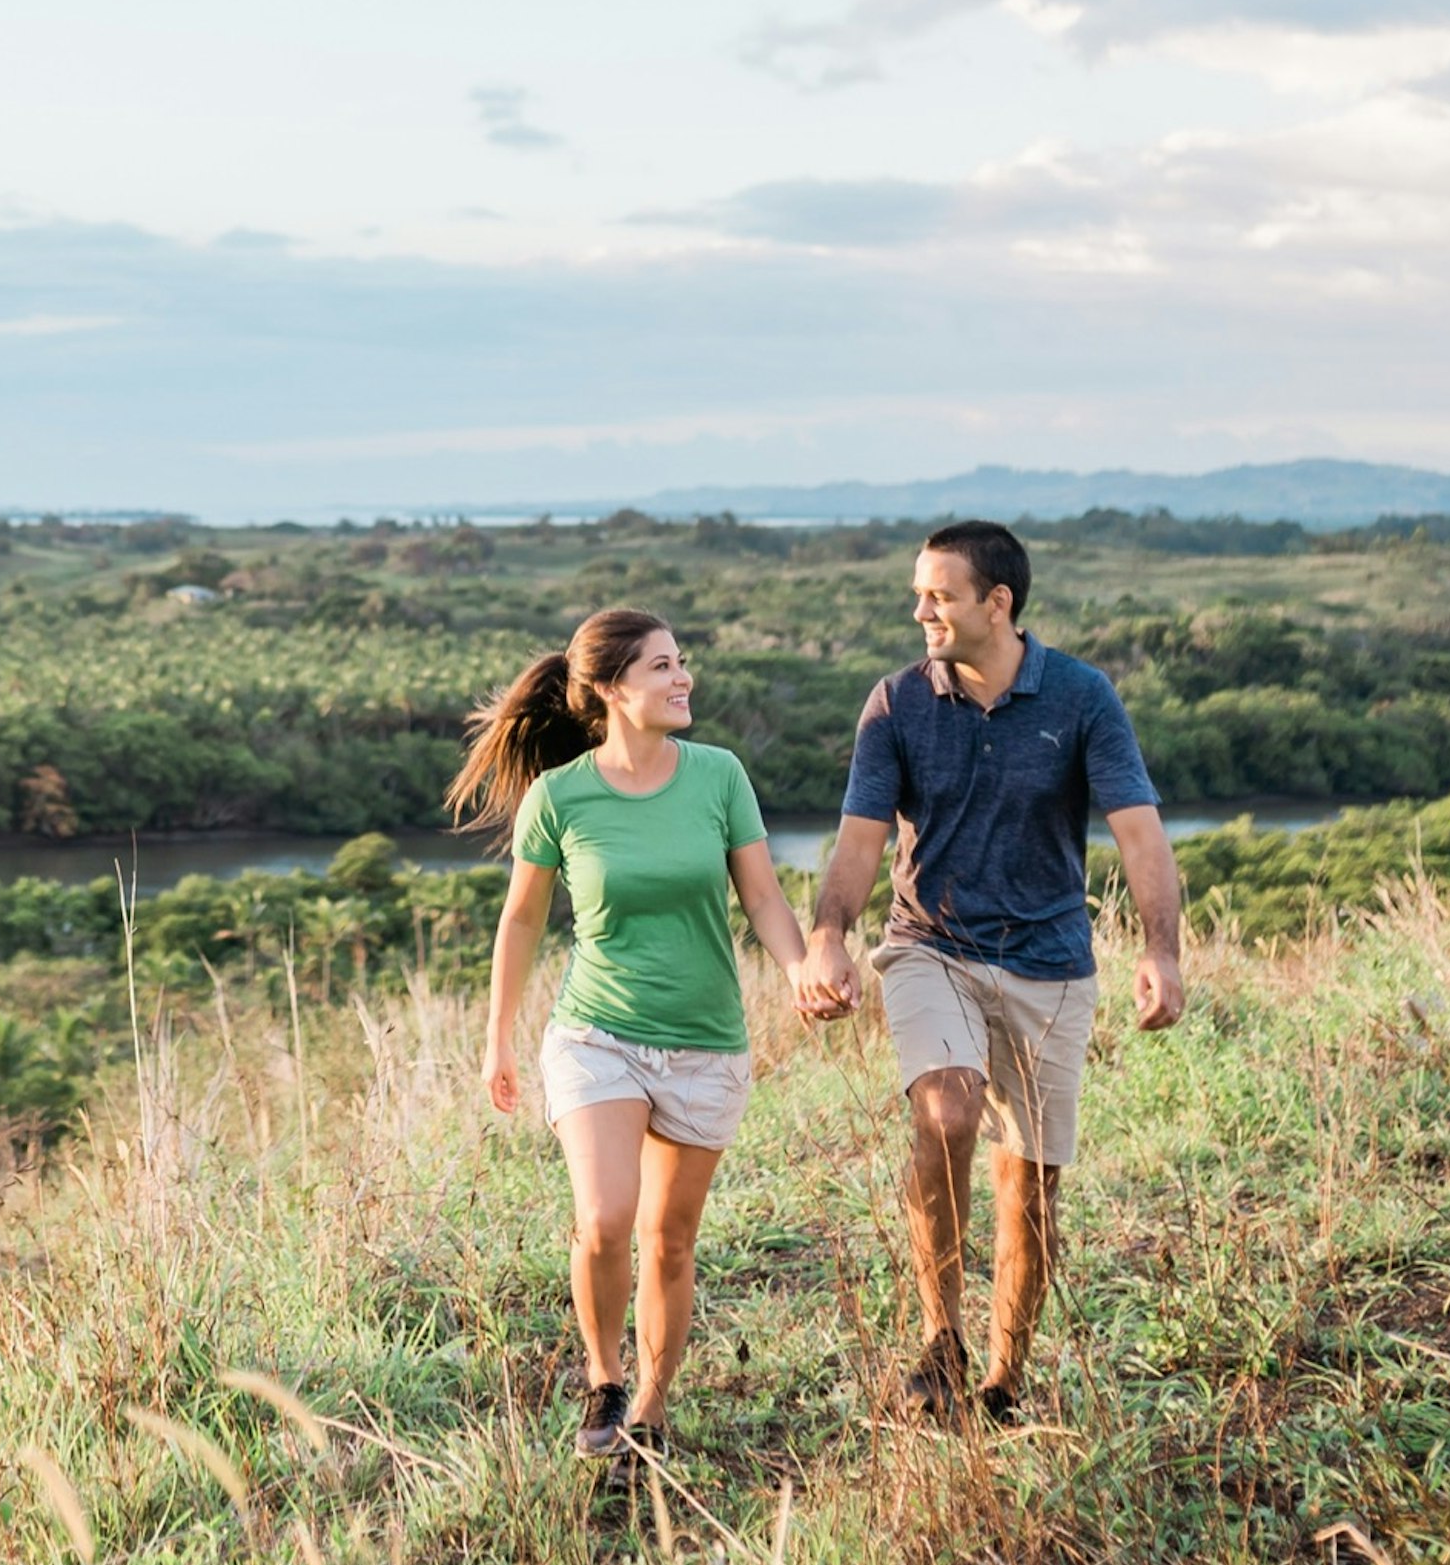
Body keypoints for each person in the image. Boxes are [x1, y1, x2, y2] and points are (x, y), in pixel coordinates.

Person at [799, 521, 1186, 1425]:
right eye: (919, 592)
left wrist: (1162, 949)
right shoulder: (896, 702)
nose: (920, 608)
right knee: (946, 1105)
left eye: (938, 594)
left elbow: (1139, 830)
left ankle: (1004, 1374)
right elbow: (861, 842)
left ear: (996, 603)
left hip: (1051, 964)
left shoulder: (1083, 697)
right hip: (931, 944)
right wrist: (828, 935)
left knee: (1031, 1187)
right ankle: (940, 1338)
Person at [465, 606, 815, 1461]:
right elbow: (521, 919)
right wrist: (497, 1038)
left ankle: (652, 1411)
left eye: (680, 661)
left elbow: (762, 896)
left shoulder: (719, 776)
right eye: (662, 666)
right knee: (606, 1216)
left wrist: (802, 967)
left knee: (670, 1238)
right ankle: (605, 1378)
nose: (682, 677)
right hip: (598, 1034)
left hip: (705, 1038)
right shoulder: (560, 796)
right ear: (613, 689)